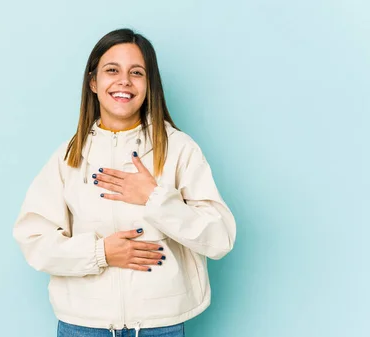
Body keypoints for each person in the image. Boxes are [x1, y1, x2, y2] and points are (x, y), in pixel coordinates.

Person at [12, 28, 237, 337]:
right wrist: (101, 253)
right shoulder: (68, 157)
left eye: (137, 72)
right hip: (83, 326)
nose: (124, 81)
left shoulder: (180, 149)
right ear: (93, 82)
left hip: (160, 327)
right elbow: (34, 239)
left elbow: (220, 238)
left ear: (149, 85)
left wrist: (155, 198)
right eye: (112, 70)